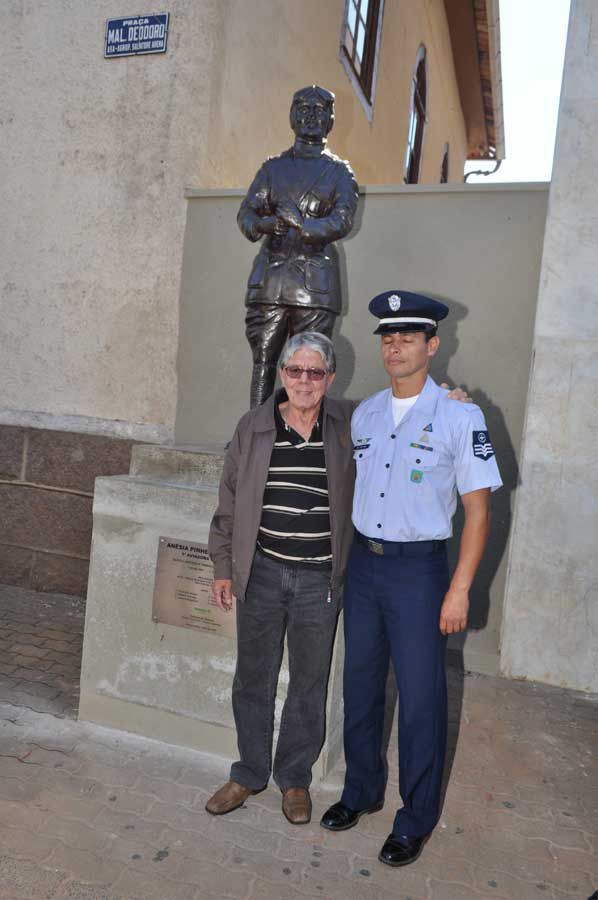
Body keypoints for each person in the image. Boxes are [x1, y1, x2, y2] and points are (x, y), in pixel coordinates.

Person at [320, 291, 502, 868]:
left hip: (420, 571)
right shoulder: (367, 414)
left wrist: (459, 588)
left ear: (433, 345)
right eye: (388, 338)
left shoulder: (460, 416)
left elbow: (478, 513)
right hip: (365, 566)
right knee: (361, 683)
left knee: (422, 697)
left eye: (408, 338)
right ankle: (361, 791)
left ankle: (415, 817)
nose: (395, 347)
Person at [205, 332, 354, 825]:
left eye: (315, 372)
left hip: (320, 580)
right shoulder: (253, 426)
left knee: (309, 683)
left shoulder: (350, 424)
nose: (304, 381)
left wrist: (450, 402)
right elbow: (228, 503)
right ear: (282, 374)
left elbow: (404, 416)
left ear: (330, 378)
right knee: (253, 677)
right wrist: (223, 567)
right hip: (262, 572)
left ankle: (294, 779)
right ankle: (249, 772)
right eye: (295, 370)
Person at [238, 85, 358, 408]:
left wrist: (302, 225)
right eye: (304, 109)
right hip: (270, 281)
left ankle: (304, 431)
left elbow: (342, 221)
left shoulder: (340, 173)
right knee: (263, 360)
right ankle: (257, 428)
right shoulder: (272, 169)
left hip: (314, 286)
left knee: (310, 366)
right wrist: (265, 224)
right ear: (292, 117)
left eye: (319, 111)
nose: (311, 117)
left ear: (330, 120)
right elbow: (246, 214)